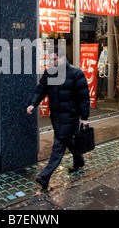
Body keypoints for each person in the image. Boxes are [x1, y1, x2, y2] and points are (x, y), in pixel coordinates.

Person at [26, 47, 90, 189]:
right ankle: (79, 161)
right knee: (68, 140)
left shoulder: (76, 73)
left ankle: (45, 177)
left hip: (70, 116)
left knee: (59, 145)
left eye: (55, 59)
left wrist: (84, 117)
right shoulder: (49, 73)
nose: (52, 62)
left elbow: (84, 98)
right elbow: (40, 90)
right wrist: (32, 103)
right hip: (55, 116)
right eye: (50, 59)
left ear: (62, 58)